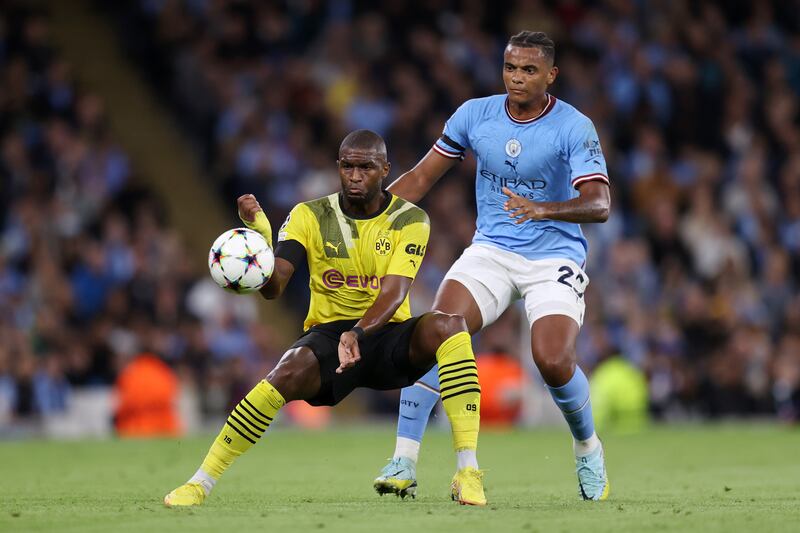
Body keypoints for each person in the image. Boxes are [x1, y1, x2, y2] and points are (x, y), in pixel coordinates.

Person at [164, 130, 486, 507]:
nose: (354, 175)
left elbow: (394, 293)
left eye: (365, 167)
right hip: (330, 336)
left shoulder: (410, 219)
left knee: (450, 325)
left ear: (384, 169)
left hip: (387, 332)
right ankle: (200, 482)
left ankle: (467, 471)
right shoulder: (309, 215)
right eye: (347, 166)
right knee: (283, 373)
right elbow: (274, 287)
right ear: (337, 167)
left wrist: (358, 332)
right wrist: (262, 238)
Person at [373, 31, 611, 501]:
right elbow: (421, 177)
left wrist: (545, 209)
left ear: (550, 75)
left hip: (554, 255)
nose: (517, 78)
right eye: (510, 68)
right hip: (492, 250)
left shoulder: (574, 126)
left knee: (553, 359)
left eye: (528, 70)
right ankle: (403, 459)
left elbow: (599, 202)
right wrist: (368, 217)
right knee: (437, 329)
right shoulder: (474, 115)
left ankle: (587, 447)